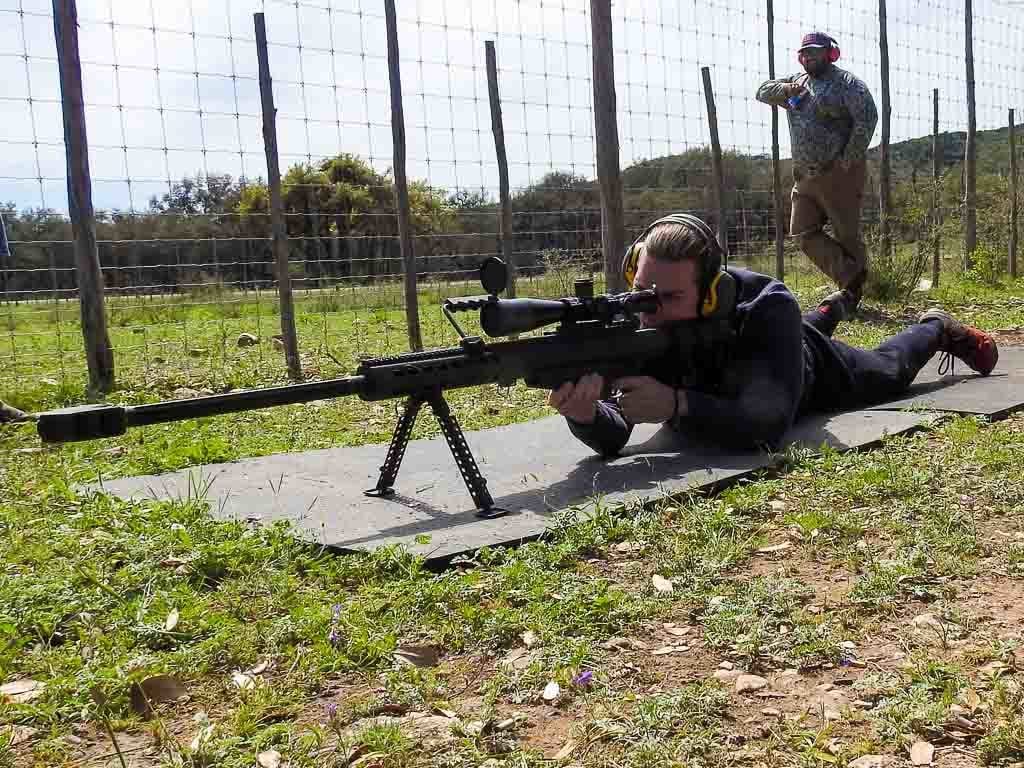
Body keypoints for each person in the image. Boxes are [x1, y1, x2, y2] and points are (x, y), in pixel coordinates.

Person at [548, 214, 998, 457]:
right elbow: (613, 437)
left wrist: (677, 404)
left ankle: (935, 325)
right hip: (775, 342)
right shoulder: (639, 318)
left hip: (807, 368)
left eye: (667, 297)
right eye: (640, 291)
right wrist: (586, 415)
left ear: (711, 296)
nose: (648, 309)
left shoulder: (767, 303)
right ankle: (831, 307)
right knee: (806, 323)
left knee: (887, 371)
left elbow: (765, 425)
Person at [756, 31, 878, 318]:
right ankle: (851, 277)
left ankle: (854, 297)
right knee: (802, 232)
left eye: (815, 51)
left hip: (839, 173)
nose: (809, 57)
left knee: (847, 234)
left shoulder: (847, 84)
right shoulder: (796, 83)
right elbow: (762, 91)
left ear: (830, 53)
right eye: (805, 53)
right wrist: (786, 91)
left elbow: (868, 117)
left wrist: (847, 160)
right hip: (805, 176)